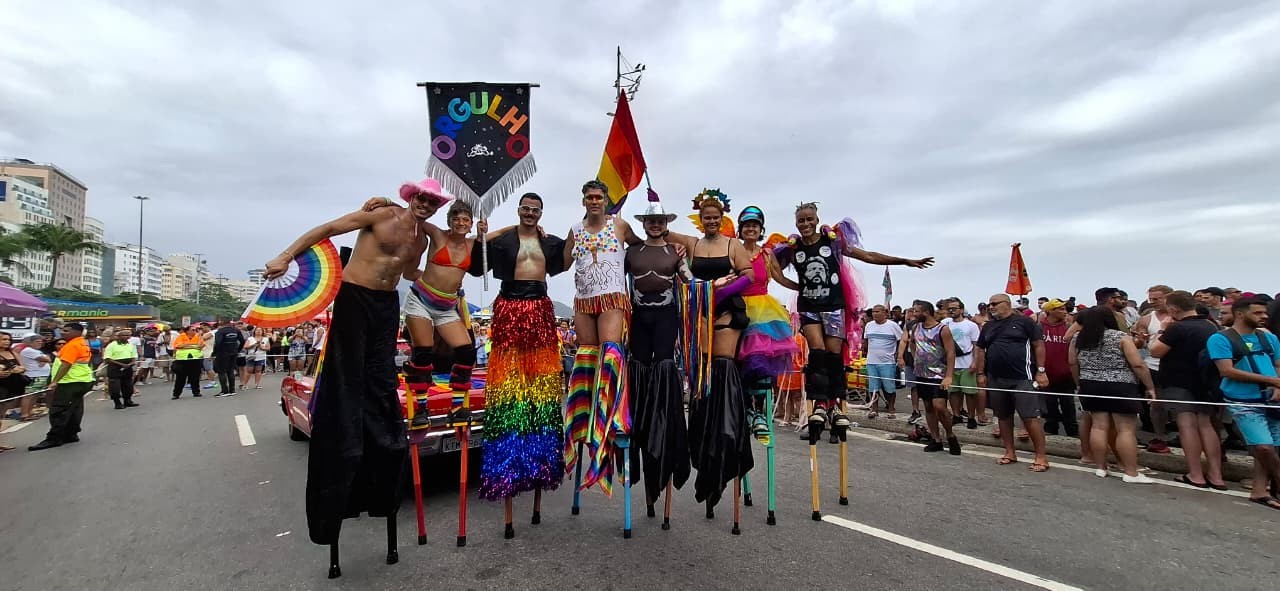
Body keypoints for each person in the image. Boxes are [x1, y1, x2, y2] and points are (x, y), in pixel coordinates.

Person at [263, 177, 443, 566]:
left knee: (379, 381)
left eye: (433, 202)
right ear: (412, 197)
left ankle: (380, 440)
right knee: (346, 379)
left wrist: (448, 266)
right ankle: (342, 432)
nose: (427, 205)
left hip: (384, 305)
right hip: (354, 297)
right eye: (423, 198)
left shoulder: (421, 239)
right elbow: (328, 229)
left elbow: (410, 274)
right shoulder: (381, 215)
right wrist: (285, 256)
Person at [774, 201, 933, 438]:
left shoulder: (833, 242)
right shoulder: (792, 249)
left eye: (809, 219)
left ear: (817, 220)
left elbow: (868, 256)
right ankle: (819, 404)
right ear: (796, 223)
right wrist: (794, 286)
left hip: (834, 306)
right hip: (809, 308)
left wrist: (904, 261)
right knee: (817, 354)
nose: (806, 224)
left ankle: (835, 404)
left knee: (833, 356)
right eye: (801, 220)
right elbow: (771, 269)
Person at [466, 192, 567, 537]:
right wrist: (486, 234)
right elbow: (473, 261)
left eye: (535, 210)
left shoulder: (549, 242)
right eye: (525, 209)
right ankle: (506, 474)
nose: (529, 213)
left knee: (540, 396)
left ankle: (539, 470)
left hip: (539, 308)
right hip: (508, 309)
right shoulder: (504, 240)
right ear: (518, 211)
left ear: (541, 213)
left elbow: (567, 260)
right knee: (510, 397)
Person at [369, 196, 480, 429]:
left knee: (467, 351)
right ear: (450, 221)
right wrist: (386, 200)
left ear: (471, 223)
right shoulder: (438, 234)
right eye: (456, 219)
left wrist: (501, 229)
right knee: (423, 353)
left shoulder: (472, 243)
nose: (461, 223)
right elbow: (415, 215)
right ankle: (421, 409)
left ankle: (458, 407)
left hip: (447, 307)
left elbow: (500, 234)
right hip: (421, 301)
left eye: (466, 220)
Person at [562, 180, 640, 495]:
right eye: (590, 197)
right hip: (584, 302)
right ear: (584, 200)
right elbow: (561, 261)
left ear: (606, 200)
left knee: (610, 357)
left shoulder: (619, 225)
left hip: (612, 300)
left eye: (599, 196)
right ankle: (585, 420)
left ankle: (610, 421)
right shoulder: (574, 230)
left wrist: (670, 246)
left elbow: (640, 246)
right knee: (586, 360)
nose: (595, 201)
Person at [623, 193, 693, 523]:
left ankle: (664, 416)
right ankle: (637, 416)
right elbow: (610, 272)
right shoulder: (632, 252)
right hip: (638, 318)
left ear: (666, 225)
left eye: (660, 221)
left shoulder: (674, 253)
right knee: (638, 367)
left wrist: (714, 288)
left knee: (665, 367)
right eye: (651, 221)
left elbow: (690, 281)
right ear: (644, 224)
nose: (655, 225)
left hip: (666, 317)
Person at [1207, 298, 1280, 510]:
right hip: (1243, 401)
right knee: (1264, 447)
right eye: (1257, 313)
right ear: (1240, 314)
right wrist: (1272, 381)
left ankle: (1259, 491)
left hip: (1271, 400)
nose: (1264, 316)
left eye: (1264, 313)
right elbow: (1226, 371)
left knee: (1272, 447)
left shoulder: (1269, 338)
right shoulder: (1220, 338)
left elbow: (1277, 364)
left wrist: (1277, 387)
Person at [1069, 306, 1156, 483]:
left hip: (1090, 384)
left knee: (1098, 427)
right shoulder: (1121, 337)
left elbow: (1072, 363)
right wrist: (1150, 387)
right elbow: (1138, 364)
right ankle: (1131, 472)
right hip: (1120, 385)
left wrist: (1079, 382)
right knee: (1125, 429)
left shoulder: (1078, 338)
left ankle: (1101, 467)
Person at [735, 205, 799, 440]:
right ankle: (742, 408)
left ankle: (758, 411)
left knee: (761, 362)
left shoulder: (767, 254)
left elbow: (780, 278)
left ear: (761, 229)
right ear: (740, 229)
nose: (751, 228)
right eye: (747, 225)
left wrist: (802, 289)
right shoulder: (733, 249)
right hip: (738, 308)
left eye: (755, 225)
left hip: (763, 312)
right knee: (737, 362)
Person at [1149, 290, 1226, 489]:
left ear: (1174, 308)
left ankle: (1196, 474)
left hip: (1180, 380)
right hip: (1206, 381)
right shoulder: (1210, 326)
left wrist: (1162, 330)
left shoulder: (1177, 328)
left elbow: (1155, 351)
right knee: (1207, 426)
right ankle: (1216, 476)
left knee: (1187, 426)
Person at [974, 294, 1051, 472]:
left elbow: (1038, 345)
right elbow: (980, 349)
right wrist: (980, 373)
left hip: (1022, 377)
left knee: (1030, 417)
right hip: (996, 377)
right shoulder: (989, 326)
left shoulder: (1025, 323)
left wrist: (1041, 370)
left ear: (1006, 304)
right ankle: (1009, 452)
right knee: (1003, 416)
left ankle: (1041, 456)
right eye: (989, 304)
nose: (991, 307)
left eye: (994, 304)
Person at [28, 323, 92, 451]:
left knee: (59, 410)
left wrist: (54, 381)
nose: (62, 332)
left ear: (77, 332)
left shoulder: (72, 345)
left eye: (66, 331)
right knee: (75, 408)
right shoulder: (82, 343)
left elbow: (66, 364)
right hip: (82, 380)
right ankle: (71, 434)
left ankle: (54, 438)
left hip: (70, 382)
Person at [1132, 285, 1174, 453]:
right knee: (1157, 405)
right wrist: (1139, 340)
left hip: (1176, 366)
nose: (1153, 302)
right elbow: (1138, 344)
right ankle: (1160, 437)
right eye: (1151, 299)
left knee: (1181, 406)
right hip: (1154, 365)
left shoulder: (1177, 317)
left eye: (1157, 299)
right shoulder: (1147, 319)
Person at [1040, 299, 1078, 437]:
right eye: (1060, 309)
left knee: (1068, 404)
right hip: (1046, 374)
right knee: (1049, 404)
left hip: (1066, 374)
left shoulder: (1069, 327)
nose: (1064, 311)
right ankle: (1051, 429)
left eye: (1064, 309)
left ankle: (1072, 431)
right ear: (1050, 311)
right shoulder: (1039, 327)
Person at [944, 299, 985, 428]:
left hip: (966, 363)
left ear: (961, 309)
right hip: (950, 364)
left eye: (954, 308)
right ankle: (956, 415)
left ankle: (972, 417)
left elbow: (976, 346)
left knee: (970, 393)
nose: (952, 311)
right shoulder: (945, 324)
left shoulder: (971, 325)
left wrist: (975, 362)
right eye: (949, 308)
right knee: (953, 392)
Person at [861, 305, 903, 419]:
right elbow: (866, 340)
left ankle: (891, 408)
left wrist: (898, 355)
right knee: (873, 387)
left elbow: (902, 341)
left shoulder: (892, 326)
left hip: (887, 362)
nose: (875, 314)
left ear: (885, 313)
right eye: (873, 312)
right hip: (871, 362)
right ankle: (874, 409)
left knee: (889, 387)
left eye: (877, 311)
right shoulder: (869, 326)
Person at [0, 332, 29, 452]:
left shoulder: (13, 353)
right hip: (1, 387)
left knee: (1, 415)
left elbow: (23, 368)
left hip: (12, 386)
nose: (7, 341)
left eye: (8, 339)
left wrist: (15, 370)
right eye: (3, 339)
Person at [102, 328, 139, 409]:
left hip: (128, 367)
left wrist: (131, 363)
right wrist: (121, 364)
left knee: (128, 385)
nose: (127, 337)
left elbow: (134, 357)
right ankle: (117, 403)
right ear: (118, 336)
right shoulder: (112, 345)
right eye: (124, 335)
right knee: (115, 387)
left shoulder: (130, 345)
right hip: (115, 367)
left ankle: (127, 401)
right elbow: (107, 358)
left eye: (128, 335)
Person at [18, 334, 51, 421]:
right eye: (37, 341)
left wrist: (45, 360)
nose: (39, 343)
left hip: (40, 375)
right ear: (30, 342)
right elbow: (47, 359)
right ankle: (24, 414)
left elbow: (47, 358)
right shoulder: (29, 350)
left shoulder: (37, 351)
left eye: (41, 342)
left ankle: (30, 412)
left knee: (35, 395)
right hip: (34, 376)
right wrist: (45, 360)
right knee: (29, 395)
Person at [212, 319, 245, 397]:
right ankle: (232, 390)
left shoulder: (219, 332)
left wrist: (214, 353)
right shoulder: (236, 331)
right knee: (230, 371)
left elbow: (218, 343)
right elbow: (242, 341)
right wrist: (237, 349)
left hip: (222, 353)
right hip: (233, 353)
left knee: (221, 372)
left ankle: (224, 391)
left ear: (221, 323)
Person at [170, 325, 204, 399]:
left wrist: (187, 345)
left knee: (195, 377)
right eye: (193, 330)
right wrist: (192, 345)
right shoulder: (181, 336)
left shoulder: (198, 336)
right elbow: (178, 345)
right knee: (180, 378)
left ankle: (196, 392)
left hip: (195, 359)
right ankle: (176, 394)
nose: (195, 331)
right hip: (182, 360)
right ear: (187, 331)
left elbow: (201, 345)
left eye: (195, 330)